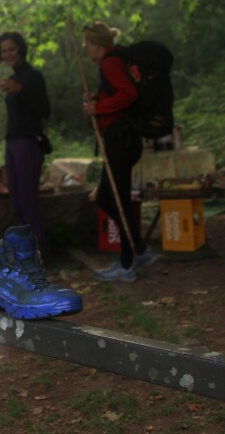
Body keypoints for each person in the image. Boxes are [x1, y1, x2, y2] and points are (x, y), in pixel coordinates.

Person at [82, 21, 157, 282]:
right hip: (122, 140)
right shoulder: (115, 61)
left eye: (87, 44)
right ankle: (140, 250)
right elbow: (121, 95)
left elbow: (129, 93)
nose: (86, 49)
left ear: (97, 44)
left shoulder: (109, 63)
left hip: (120, 140)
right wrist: (98, 103)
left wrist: (97, 109)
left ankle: (127, 266)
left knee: (113, 199)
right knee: (109, 198)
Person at [0, 31, 50, 257]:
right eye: (4, 51)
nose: (7, 54)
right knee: (16, 200)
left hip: (28, 143)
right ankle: (25, 252)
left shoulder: (33, 76)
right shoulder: (14, 78)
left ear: (21, 49)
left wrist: (22, 91)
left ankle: (38, 253)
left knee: (28, 199)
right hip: (12, 143)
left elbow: (45, 111)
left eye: (11, 49)